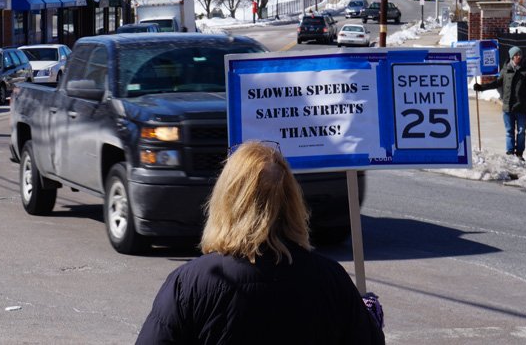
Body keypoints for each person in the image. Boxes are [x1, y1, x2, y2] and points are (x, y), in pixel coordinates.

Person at [136, 141, 385, 344]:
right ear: (294, 203)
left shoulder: (190, 284)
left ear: (227, 201)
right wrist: (368, 319)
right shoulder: (331, 281)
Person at [474, 46, 526, 160]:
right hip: (508, 107)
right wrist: (481, 87)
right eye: (517, 55)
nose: (519, 56)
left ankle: (519, 153)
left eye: (520, 54)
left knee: (521, 131)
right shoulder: (505, 70)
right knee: (509, 131)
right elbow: (496, 83)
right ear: (512, 57)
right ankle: (509, 153)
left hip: (521, 106)